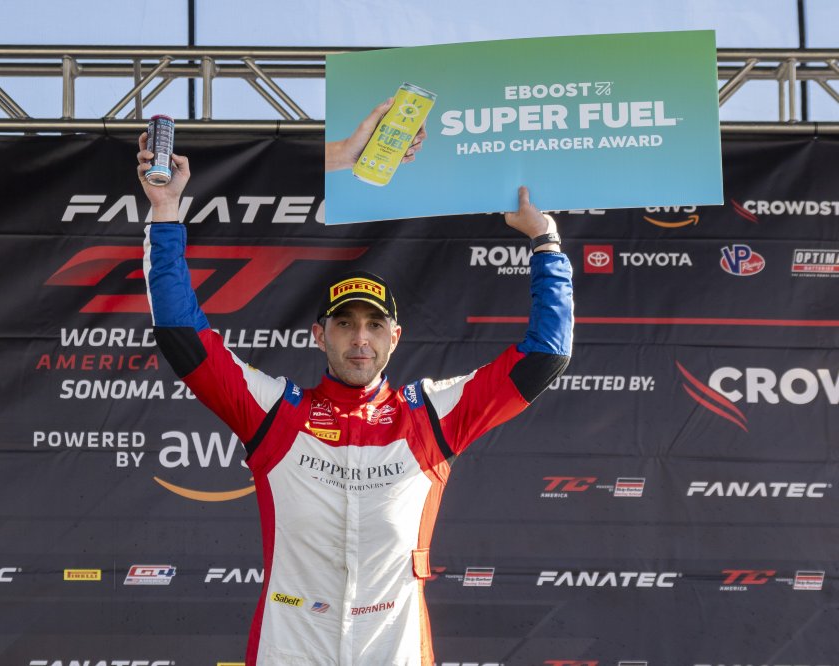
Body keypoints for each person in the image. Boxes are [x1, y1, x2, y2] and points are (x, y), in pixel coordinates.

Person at [136, 135, 573, 665]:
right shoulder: (276, 412)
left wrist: (545, 240)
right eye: (344, 324)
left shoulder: (430, 415)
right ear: (320, 336)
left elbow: (546, 355)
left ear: (395, 337)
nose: (360, 339)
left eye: (374, 325)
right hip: (290, 645)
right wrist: (165, 212)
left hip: (393, 648)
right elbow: (182, 335)